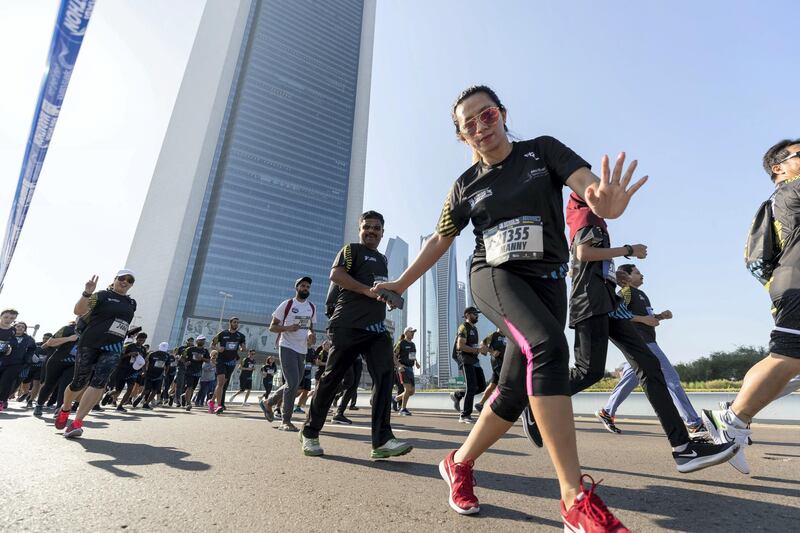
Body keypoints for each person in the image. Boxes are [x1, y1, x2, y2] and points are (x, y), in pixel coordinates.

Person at [373, 85, 649, 528]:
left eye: (487, 116)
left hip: (548, 283)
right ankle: (574, 499)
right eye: (469, 125)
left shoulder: (542, 152)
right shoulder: (465, 186)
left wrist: (603, 201)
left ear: (501, 114)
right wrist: (402, 282)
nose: (481, 128)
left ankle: (458, 463)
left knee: (516, 388)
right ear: (462, 138)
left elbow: (586, 185)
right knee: (549, 348)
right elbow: (441, 239)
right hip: (495, 275)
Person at [520, 192, 736, 474]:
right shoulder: (585, 215)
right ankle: (533, 400)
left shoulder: (594, 220)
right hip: (592, 302)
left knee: (650, 366)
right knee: (590, 372)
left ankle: (684, 449)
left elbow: (587, 263)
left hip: (611, 302)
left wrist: (613, 274)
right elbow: (583, 253)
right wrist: (627, 250)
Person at [703, 138, 800, 475]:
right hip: (798, 283)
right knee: (788, 357)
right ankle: (732, 419)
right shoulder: (792, 190)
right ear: (779, 167)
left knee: (794, 363)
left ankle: (735, 413)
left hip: (789, 283)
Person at [300, 211, 412, 459]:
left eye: (376, 228)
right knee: (332, 378)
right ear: (360, 230)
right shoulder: (351, 250)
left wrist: (387, 297)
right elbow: (336, 276)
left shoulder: (383, 259)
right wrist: (366, 291)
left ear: (383, 232)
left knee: (385, 378)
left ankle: (382, 440)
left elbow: (376, 289)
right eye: (367, 227)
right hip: (347, 325)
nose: (371, 231)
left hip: (376, 329)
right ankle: (309, 432)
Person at [597, 265, 705, 434]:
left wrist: (661, 316)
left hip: (644, 343)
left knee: (631, 377)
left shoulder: (641, 295)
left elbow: (646, 318)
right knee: (671, 378)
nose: (642, 275)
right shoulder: (626, 292)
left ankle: (607, 412)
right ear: (626, 276)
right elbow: (616, 314)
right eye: (637, 272)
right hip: (643, 342)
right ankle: (693, 422)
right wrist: (645, 320)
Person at [55, 270, 137, 437]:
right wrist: (87, 292)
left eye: (130, 280)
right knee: (79, 382)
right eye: (122, 278)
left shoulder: (132, 302)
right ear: (114, 280)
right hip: (90, 342)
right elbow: (78, 311)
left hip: (114, 346)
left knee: (99, 382)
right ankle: (65, 409)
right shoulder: (101, 295)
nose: (125, 282)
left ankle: (77, 423)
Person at [259, 277, 316, 430]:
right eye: (303, 285)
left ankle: (268, 402)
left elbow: (311, 328)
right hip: (287, 346)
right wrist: (288, 328)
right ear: (296, 288)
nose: (305, 288)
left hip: (302, 349)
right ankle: (286, 421)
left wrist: (311, 335)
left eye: (308, 286)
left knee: (294, 384)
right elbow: (272, 327)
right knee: (292, 383)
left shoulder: (311, 307)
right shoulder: (287, 304)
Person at [33, 321, 79, 417]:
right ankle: (39, 404)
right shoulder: (67, 328)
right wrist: (69, 338)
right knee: (49, 385)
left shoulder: (92, 331)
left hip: (74, 364)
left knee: (65, 385)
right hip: (57, 361)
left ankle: (59, 409)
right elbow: (50, 342)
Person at [209, 318, 246, 414]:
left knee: (222, 384)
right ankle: (219, 405)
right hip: (221, 360)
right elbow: (212, 345)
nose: (236, 324)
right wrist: (218, 348)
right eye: (234, 322)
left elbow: (243, 346)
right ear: (230, 323)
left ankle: (212, 401)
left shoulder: (241, 336)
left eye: (238, 322)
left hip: (232, 362)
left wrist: (243, 348)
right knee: (220, 383)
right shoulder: (222, 334)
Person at [2, 321, 36, 409]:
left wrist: (28, 357)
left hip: (17, 364)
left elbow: (32, 348)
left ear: (25, 329)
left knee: (8, 382)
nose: (20, 328)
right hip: (3, 361)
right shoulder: (8, 335)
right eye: (18, 326)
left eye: (22, 327)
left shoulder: (29, 339)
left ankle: (3, 400)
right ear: (14, 327)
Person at [475, 327, 506, 413]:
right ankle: (497, 406)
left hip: (504, 363)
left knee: (493, 384)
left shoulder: (507, 335)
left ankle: (480, 404)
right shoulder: (494, 335)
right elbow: (482, 344)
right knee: (505, 384)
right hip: (498, 363)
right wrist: (492, 352)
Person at [134, 342, 170, 409]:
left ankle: (146, 404)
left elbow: (167, 365)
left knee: (155, 390)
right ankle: (140, 397)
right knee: (147, 390)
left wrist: (165, 373)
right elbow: (145, 362)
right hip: (149, 374)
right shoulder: (152, 354)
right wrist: (144, 371)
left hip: (159, 375)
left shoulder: (167, 355)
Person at [394, 327, 419, 416]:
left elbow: (412, 356)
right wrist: (399, 366)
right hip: (403, 368)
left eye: (414, 332)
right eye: (411, 332)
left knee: (412, 392)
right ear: (406, 333)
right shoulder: (401, 343)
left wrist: (416, 362)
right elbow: (393, 355)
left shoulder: (413, 344)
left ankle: (395, 399)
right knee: (407, 389)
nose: (413, 334)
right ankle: (403, 409)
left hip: (410, 369)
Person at [24, 332, 53, 408]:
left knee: (36, 384)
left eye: (47, 339)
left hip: (41, 369)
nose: (45, 340)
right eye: (44, 338)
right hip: (31, 367)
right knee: (25, 383)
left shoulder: (53, 347)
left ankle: (31, 400)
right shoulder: (37, 344)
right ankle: (26, 393)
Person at [0, 309, 20, 411]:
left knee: (5, 382)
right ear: (1, 316)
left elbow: (11, 343)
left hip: (6, 359)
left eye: (12, 318)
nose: (8, 320)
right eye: (6, 317)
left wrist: (9, 348)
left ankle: (1, 401)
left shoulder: (12, 330)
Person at [183, 336, 210, 411]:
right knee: (189, 387)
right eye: (200, 340)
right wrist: (185, 362)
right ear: (197, 341)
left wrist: (201, 358)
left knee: (192, 388)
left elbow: (208, 360)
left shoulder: (205, 351)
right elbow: (183, 357)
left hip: (198, 371)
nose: (202, 342)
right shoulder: (190, 349)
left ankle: (185, 397)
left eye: (203, 340)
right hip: (189, 370)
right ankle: (188, 403)